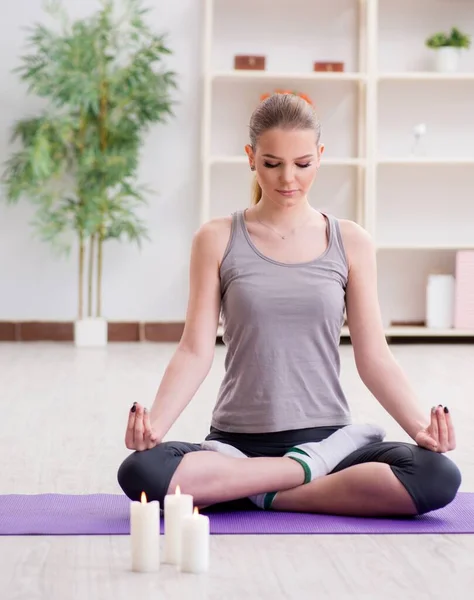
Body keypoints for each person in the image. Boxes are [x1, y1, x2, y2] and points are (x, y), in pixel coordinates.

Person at [117, 93, 461, 517]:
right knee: (141, 472)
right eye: (271, 163)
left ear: (319, 156)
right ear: (251, 157)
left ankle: (252, 491)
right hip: (237, 444)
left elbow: (374, 356)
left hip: (328, 441)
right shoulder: (217, 237)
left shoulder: (350, 241)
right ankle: (299, 475)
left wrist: (422, 429)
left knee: (437, 476)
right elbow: (195, 350)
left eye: (302, 163)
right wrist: (156, 427)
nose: (287, 179)